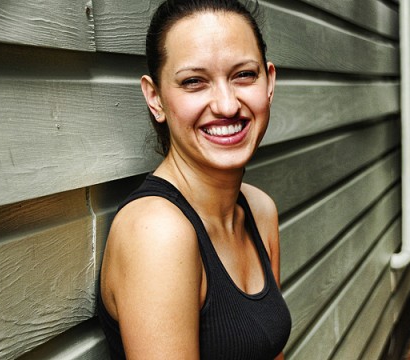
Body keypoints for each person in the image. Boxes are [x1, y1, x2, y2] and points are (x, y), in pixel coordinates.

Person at [96, 0, 291, 358]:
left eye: (244, 74)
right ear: (155, 98)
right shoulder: (157, 233)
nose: (227, 104)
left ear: (269, 82)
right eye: (194, 82)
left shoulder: (259, 211)